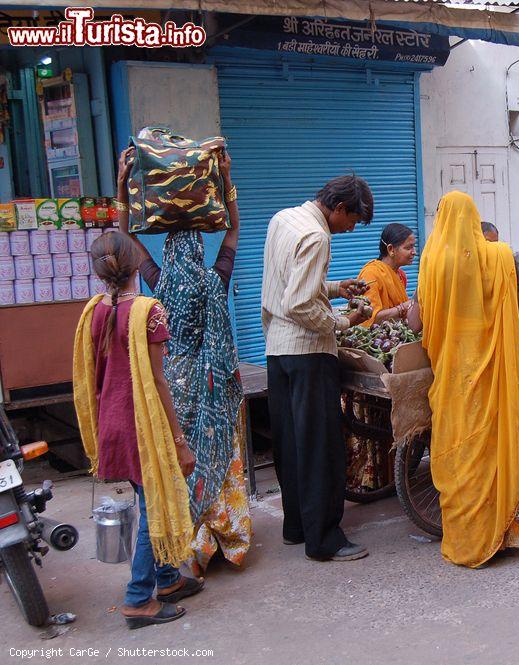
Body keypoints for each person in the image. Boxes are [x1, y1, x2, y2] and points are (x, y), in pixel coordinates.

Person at [116, 148, 251, 578]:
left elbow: (127, 241)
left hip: (172, 386)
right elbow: (232, 234)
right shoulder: (214, 279)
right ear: (196, 248)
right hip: (212, 382)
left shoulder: (157, 283)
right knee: (219, 456)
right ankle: (222, 537)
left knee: (183, 462)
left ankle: (189, 548)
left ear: (170, 252)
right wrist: (227, 180)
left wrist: (122, 186)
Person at [72, 232, 202, 629]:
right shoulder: (149, 310)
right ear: (134, 267)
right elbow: (159, 382)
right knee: (153, 508)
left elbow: (91, 375)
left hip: (111, 423)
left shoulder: (94, 311)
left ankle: (167, 580)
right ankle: (137, 599)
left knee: (150, 498)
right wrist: (180, 441)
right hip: (142, 426)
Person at [406, 191, 519, 567]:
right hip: (493, 367)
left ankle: (468, 536)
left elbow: (416, 322)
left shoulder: (432, 259)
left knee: (461, 448)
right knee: (496, 442)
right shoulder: (498, 255)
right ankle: (505, 533)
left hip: (453, 373)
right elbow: (514, 307)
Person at [261, 175, 373, 562]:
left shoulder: (284, 219)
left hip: (278, 351)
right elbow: (300, 304)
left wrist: (337, 288)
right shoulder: (317, 237)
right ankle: (324, 539)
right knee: (320, 447)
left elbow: (291, 284)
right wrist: (343, 322)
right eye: (353, 221)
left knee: (292, 443)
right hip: (308, 353)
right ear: (339, 208)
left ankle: (297, 526)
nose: (350, 229)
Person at [356, 223, 416, 327]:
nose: (414, 252)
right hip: (375, 339)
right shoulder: (371, 274)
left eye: (414, 247)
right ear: (391, 249)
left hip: (396, 336)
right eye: (408, 248)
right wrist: (405, 306)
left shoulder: (401, 275)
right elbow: (369, 318)